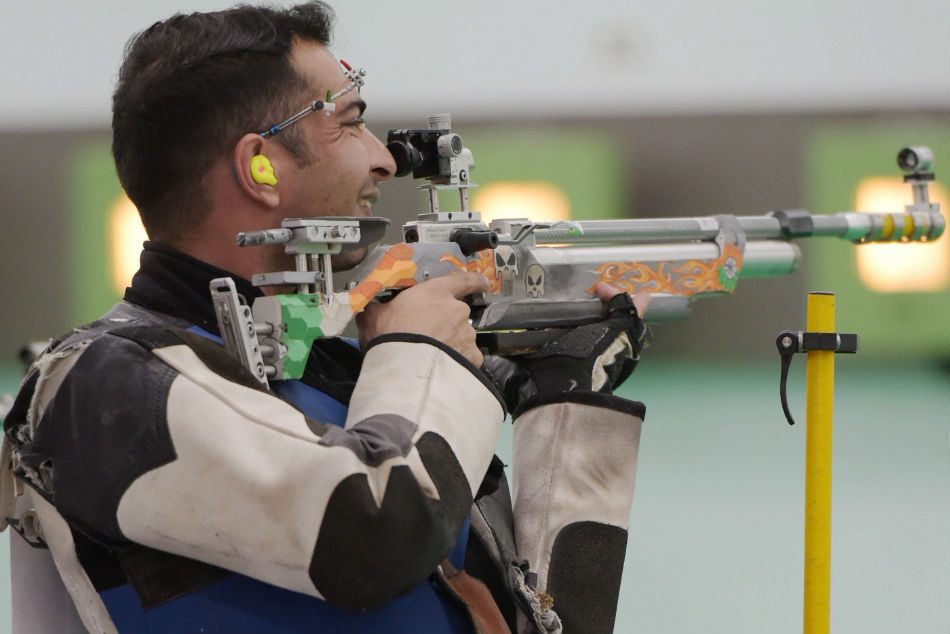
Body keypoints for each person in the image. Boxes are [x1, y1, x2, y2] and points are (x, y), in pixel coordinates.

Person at [1, 3, 648, 633]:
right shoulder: (97, 385)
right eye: (349, 124)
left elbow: (538, 619)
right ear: (260, 166)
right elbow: (377, 533)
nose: (385, 160)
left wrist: (566, 400)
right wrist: (426, 354)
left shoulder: (345, 379)